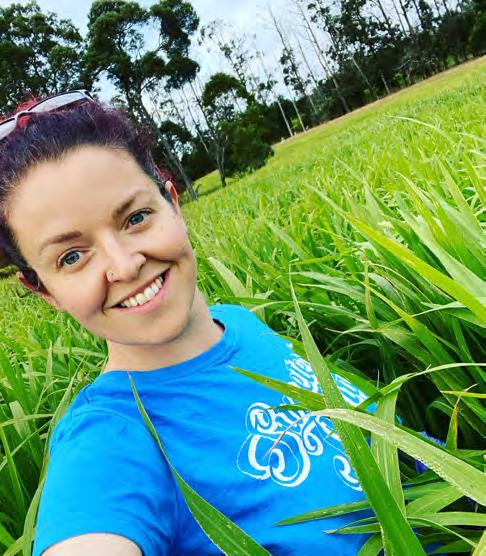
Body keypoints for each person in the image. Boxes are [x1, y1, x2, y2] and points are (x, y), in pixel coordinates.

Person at [0, 90, 371, 555]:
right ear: (45, 290)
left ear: (172, 203)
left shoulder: (239, 324)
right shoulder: (108, 439)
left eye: (136, 217)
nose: (125, 265)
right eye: (72, 257)